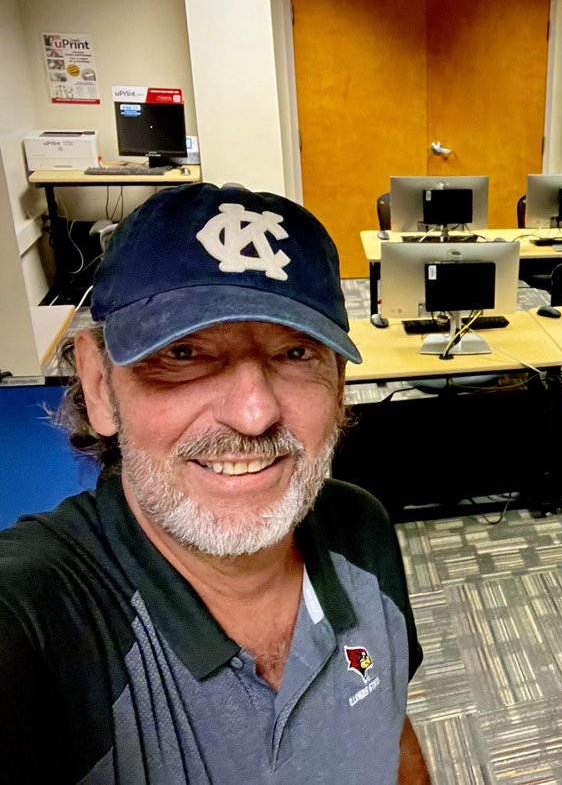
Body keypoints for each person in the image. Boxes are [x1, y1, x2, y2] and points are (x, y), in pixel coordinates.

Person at [0, 183, 429, 784]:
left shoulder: (361, 527)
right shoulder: (37, 616)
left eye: (296, 352)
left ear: (338, 389)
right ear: (99, 386)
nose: (254, 415)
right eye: (184, 354)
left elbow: (390, 725)